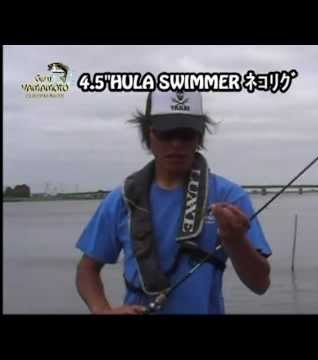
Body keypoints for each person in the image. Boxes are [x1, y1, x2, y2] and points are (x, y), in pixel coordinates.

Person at [75, 90, 272, 315]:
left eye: (186, 134)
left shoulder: (229, 197)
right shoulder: (122, 199)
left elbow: (260, 284)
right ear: (149, 135)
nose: (176, 144)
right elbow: (87, 270)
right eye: (166, 134)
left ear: (198, 138)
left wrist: (236, 241)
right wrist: (102, 310)